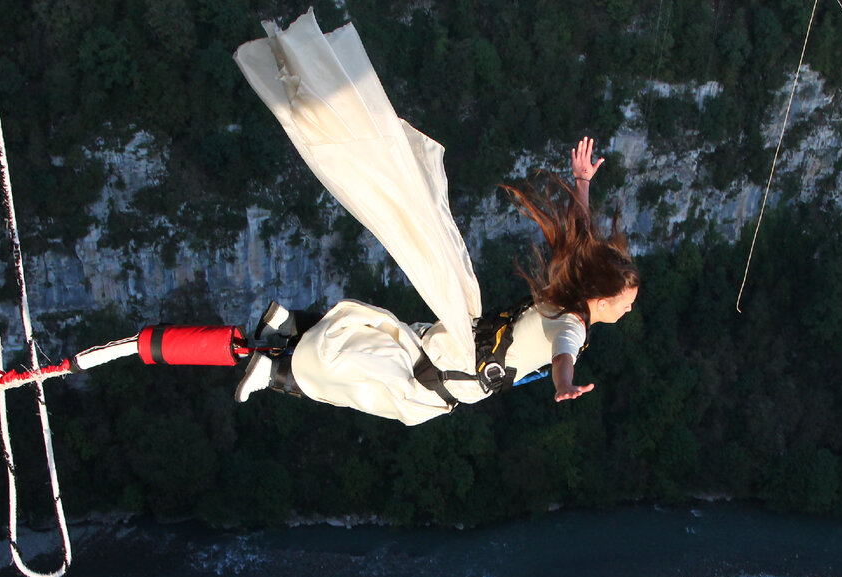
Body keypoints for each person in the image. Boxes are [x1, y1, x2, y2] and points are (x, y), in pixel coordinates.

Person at [232, 11, 638, 425]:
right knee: (375, 385)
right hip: (458, 372)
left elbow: (582, 238)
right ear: (601, 300)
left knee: (387, 346)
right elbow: (564, 354)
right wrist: (563, 384)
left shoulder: (567, 297)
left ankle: (288, 324)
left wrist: (582, 184)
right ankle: (277, 369)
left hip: (464, 338)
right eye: (625, 306)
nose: (627, 313)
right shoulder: (573, 323)